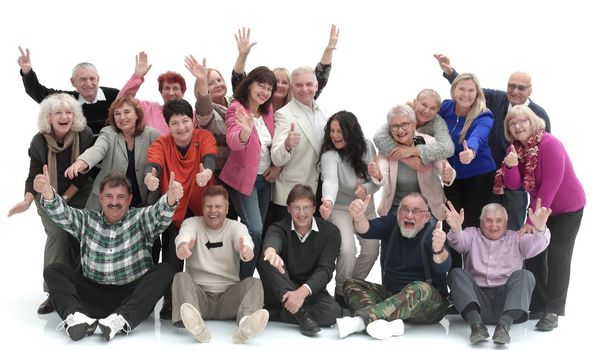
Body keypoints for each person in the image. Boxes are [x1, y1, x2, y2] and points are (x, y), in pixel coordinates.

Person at [37, 171, 182, 341]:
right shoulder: (87, 220)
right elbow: (63, 214)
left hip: (130, 296)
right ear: (100, 198)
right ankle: (77, 318)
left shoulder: (140, 219)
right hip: (93, 295)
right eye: (109, 196)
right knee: (53, 271)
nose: (114, 202)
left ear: (129, 199)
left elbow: (159, 213)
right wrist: (48, 192)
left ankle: (120, 320)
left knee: (164, 270)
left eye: (120, 196)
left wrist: (171, 197)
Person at [493, 105, 585, 330]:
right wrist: (512, 166)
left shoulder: (550, 144)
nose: (518, 126)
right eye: (512, 124)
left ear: (532, 121)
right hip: (539, 208)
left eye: (522, 120)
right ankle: (538, 303)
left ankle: (553, 310)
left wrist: (531, 222)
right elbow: (513, 185)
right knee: (533, 254)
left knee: (557, 256)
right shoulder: (513, 150)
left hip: (567, 207)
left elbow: (550, 186)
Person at [434, 54, 551, 230]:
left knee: (513, 228)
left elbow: (542, 154)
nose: (515, 91)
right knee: (485, 227)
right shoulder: (498, 99)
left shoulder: (538, 114)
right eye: (512, 86)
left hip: (516, 184)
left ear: (530, 90)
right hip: (488, 178)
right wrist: (451, 72)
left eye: (521, 87)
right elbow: (469, 92)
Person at [8, 93, 94, 315]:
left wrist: (65, 200)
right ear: (49, 118)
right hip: (48, 194)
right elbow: (33, 174)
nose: (64, 116)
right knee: (58, 234)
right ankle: (53, 292)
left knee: (80, 234)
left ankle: (77, 287)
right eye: (58, 113)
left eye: (68, 112)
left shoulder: (84, 135)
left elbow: (84, 175)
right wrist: (27, 200)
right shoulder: (39, 141)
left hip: (80, 192)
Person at [336, 192, 451, 340]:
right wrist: (358, 217)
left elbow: (444, 266)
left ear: (426, 217)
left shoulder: (433, 234)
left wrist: (438, 249)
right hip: (392, 297)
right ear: (398, 212)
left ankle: (361, 321)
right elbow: (366, 229)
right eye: (404, 209)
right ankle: (383, 324)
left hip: (428, 305)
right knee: (351, 284)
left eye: (416, 211)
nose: (409, 215)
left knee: (420, 288)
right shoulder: (391, 224)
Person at [144, 99, 217, 319]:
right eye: (175, 123)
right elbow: (153, 163)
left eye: (185, 121)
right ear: (168, 125)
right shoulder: (161, 143)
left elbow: (209, 157)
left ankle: (208, 300)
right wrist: (150, 177)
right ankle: (170, 300)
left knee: (206, 256)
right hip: (174, 209)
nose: (181, 127)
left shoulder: (203, 136)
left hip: (203, 208)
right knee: (172, 257)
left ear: (193, 120)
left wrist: (208, 173)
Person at [444, 200, 551, 344]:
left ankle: (504, 327)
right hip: (476, 303)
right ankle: (476, 326)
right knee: (456, 273)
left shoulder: (516, 238)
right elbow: (458, 242)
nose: (494, 226)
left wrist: (540, 229)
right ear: (481, 222)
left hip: (507, 304)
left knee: (525, 275)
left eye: (499, 221)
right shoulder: (472, 234)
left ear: (506, 223)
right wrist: (457, 229)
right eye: (489, 221)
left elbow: (538, 244)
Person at [171, 186, 268, 343]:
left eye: (218, 206)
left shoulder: (236, 227)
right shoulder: (192, 223)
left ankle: (245, 324)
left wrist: (246, 249)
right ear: (202, 206)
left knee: (254, 283)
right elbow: (184, 235)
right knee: (180, 277)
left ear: (227, 207)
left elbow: (244, 239)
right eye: (208, 206)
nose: (213, 211)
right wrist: (182, 246)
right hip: (199, 297)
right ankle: (196, 325)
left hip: (228, 298)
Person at [258, 184, 342, 337]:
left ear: (314, 208)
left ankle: (276, 314)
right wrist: (271, 250)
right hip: (280, 289)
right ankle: (301, 314)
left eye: (306, 207)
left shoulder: (331, 232)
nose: (301, 213)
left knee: (334, 312)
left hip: (309, 291)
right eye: (296, 208)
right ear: (289, 209)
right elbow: (272, 240)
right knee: (267, 260)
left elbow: (325, 270)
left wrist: (300, 294)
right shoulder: (279, 227)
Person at [219, 66, 278, 279]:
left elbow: (275, 142)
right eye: (260, 86)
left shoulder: (268, 111)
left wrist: (278, 166)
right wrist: (245, 130)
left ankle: (245, 279)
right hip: (244, 181)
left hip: (266, 180)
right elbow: (233, 142)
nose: (264, 91)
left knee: (257, 232)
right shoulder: (236, 108)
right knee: (254, 230)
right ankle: (243, 280)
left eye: (269, 88)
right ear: (250, 84)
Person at [319, 110, 380, 305]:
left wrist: (366, 189)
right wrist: (327, 201)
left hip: (364, 206)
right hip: (339, 207)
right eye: (332, 131)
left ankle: (352, 286)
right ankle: (340, 291)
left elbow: (377, 180)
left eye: (340, 131)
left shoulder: (368, 147)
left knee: (371, 249)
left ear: (351, 131)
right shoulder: (330, 155)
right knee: (347, 250)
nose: (335, 136)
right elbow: (330, 182)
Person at [438, 72, 496, 268]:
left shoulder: (484, 114)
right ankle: (454, 276)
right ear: (453, 90)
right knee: (451, 224)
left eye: (471, 90)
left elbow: (479, 135)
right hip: (451, 176)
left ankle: (473, 277)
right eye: (461, 89)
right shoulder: (444, 107)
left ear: (477, 92)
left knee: (471, 226)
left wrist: (470, 150)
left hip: (479, 176)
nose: (466, 94)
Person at [64, 96, 160, 211]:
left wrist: (151, 177)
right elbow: (98, 149)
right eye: (117, 114)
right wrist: (82, 162)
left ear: (137, 114)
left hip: (142, 202)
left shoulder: (152, 134)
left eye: (127, 112)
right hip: (107, 203)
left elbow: (156, 161)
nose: (122, 117)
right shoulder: (108, 132)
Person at [368, 104, 455, 220]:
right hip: (396, 205)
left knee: (427, 231)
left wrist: (447, 174)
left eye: (404, 125)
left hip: (427, 205)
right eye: (395, 126)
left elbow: (444, 167)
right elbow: (382, 174)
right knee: (393, 232)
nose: (400, 130)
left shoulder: (428, 142)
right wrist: (377, 174)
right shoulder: (387, 147)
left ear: (414, 125)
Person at [269, 67, 328, 222]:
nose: (304, 89)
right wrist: (287, 145)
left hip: (316, 192)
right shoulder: (284, 114)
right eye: (299, 85)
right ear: (292, 87)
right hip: (290, 194)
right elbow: (276, 158)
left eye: (309, 84)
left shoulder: (321, 112)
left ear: (316, 86)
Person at [17, 47, 119, 136]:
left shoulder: (115, 96)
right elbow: (39, 93)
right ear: (73, 82)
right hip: (80, 151)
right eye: (83, 79)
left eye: (92, 79)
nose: (88, 84)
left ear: (98, 79)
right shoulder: (68, 100)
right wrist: (27, 72)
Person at [373, 89, 454, 165]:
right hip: (395, 166)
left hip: (423, 168)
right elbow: (379, 137)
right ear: (415, 102)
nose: (427, 111)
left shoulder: (437, 122)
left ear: (438, 110)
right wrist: (406, 159)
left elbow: (448, 148)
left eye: (433, 108)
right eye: (424, 105)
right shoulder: (404, 113)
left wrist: (412, 151)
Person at [118, 51, 187, 135]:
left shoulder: (191, 116)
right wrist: (137, 77)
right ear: (161, 92)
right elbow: (122, 102)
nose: (171, 93)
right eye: (167, 88)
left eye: (175, 88)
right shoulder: (149, 109)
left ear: (183, 91)